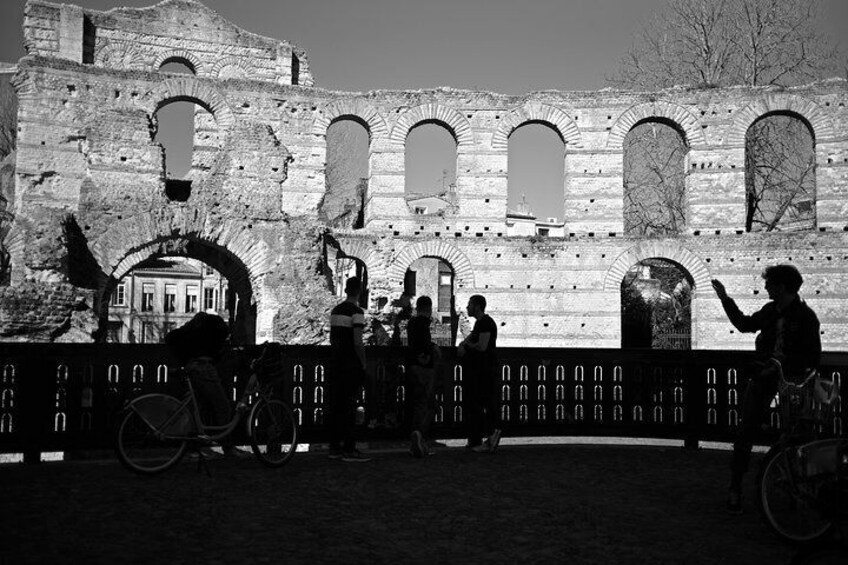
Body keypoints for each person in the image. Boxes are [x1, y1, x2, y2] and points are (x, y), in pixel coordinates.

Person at [712, 265, 820, 514]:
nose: (766, 287)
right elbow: (744, 325)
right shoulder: (771, 311)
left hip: (791, 383)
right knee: (746, 431)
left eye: (770, 284)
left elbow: (811, 357)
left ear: (781, 287)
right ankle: (735, 488)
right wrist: (725, 299)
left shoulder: (805, 317)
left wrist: (781, 366)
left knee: (795, 437)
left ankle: (797, 490)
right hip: (764, 377)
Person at [165, 311, 247, 458]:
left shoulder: (191, 330)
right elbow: (217, 352)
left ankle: (189, 446)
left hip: (191, 368)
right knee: (222, 406)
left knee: (193, 408)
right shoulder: (214, 329)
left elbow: (170, 338)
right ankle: (228, 447)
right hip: (204, 369)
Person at [328, 276, 371, 462]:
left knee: (337, 406)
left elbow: (332, 338)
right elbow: (357, 341)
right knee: (351, 406)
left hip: (335, 362)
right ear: (360, 292)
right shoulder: (357, 312)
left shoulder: (336, 310)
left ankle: (335, 447)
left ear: (345, 290)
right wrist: (363, 363)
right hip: (350, 364)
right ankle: (349, 448)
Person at [458, 294, 502, 453]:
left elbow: (482, 346)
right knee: (480, 404)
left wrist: (466, 346)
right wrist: (464, 343)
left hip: (487, 371)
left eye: (469, 305)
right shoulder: (479, 324)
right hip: (481, 371)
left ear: (477, 306)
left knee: (487, 405)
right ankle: (480, 439)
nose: (467, 308)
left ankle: (491, 438)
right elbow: (469, 340)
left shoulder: (486, 323)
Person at [407, 295, 441, 458]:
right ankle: (419, 435)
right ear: (428, 308)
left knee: (419, 403)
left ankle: (417, 439)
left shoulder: (411, 323)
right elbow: (424, 343)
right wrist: (429, 351)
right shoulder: (423, 323)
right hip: (424, 368)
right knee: (429, 405)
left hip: (413, 365)